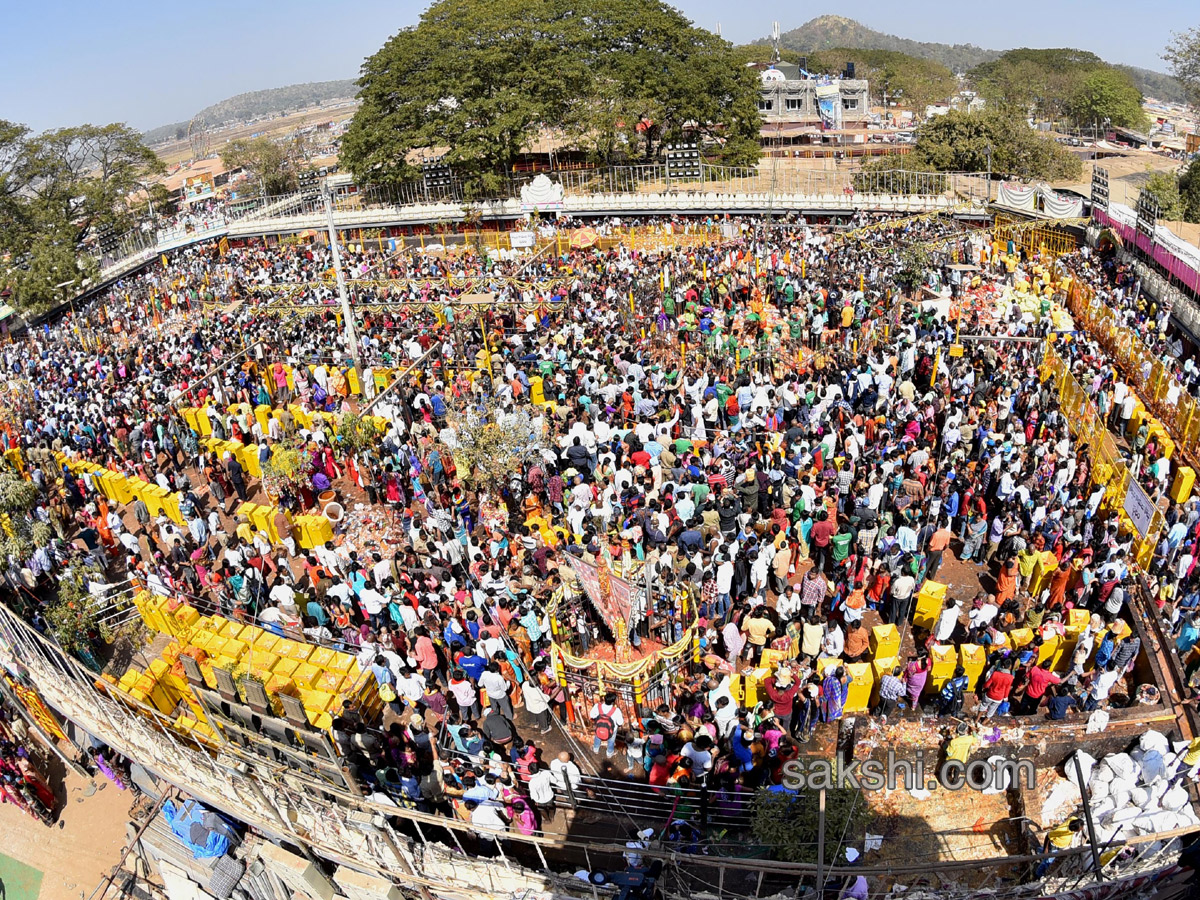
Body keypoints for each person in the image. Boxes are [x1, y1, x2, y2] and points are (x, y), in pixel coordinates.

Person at [590, 692, 624, 758]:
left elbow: (592, 715)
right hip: (612, 730)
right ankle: (609, 753)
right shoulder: (616, 710)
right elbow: (620, 722)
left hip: (599, 727)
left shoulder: (597, 706)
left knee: (597, 736)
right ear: (613, 702)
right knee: (611, 741)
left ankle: (595, 749)